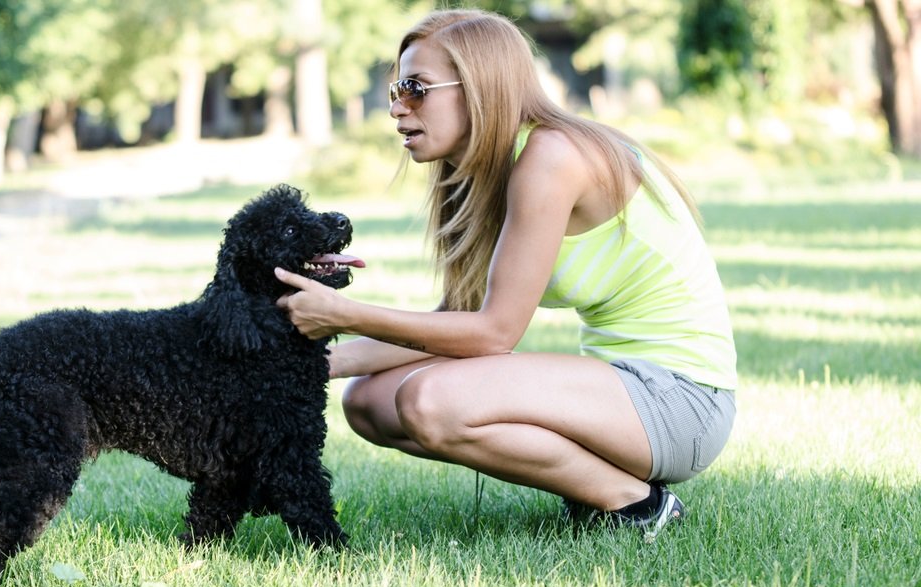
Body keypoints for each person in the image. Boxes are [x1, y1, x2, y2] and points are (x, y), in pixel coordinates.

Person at [274, 8, 737, 541]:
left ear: (478, 87)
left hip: (683, 403)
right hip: (622, 393)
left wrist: (344, 315)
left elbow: (494, 334)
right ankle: (601, 487)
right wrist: (304, 361)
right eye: (394, 90)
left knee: (430, 400)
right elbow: (459, 319)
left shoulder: (553, 156)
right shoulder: (482, 170)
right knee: (368, 402)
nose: (398, 107)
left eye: (415, 88)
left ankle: (633, 504)